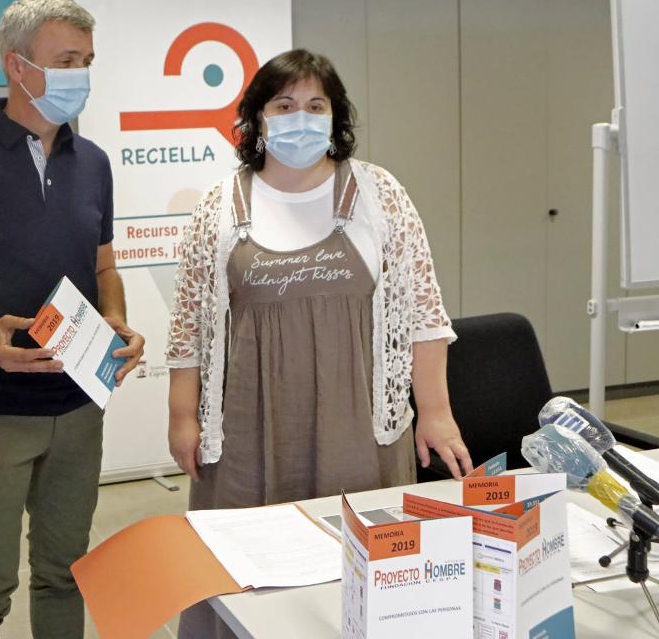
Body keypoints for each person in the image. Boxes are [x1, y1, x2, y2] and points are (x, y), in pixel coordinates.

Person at [165, 49, 472, 638]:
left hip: (356, 430)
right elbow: (190, 329)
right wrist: (183, 416)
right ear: (257, 119)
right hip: (248, 436)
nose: (299, 118)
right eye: (284, 105)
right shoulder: (219, 206)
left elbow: (423, 314)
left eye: (315, 105)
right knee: (245, 579)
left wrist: (435, 412)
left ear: (336, 116)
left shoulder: (380, 194)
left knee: (356, 576)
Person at [0, 0, 145, 639]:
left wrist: (118, 319)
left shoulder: (93, 164)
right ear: (17, 66)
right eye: (66, 59)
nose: (81, 75)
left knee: (66, 572)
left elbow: (103, 268)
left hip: (78, 406)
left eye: (88, 60)